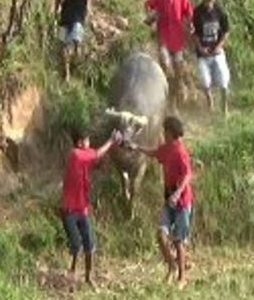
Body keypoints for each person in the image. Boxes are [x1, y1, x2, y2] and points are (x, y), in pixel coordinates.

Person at [129, 116, 193, 289]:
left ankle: (182, 277)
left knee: (179, 241)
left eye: (165, 131)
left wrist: (177, 194)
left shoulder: (180, 151)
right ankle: (171, 266)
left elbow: (188, 175)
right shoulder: (167, 148)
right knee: (161, 235)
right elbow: (154, 152)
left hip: (181, 202)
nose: (163, 134)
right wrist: (136, 147)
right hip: (169, 198)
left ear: (171, 133)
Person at [61, 127, 121, 286]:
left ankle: (88, 277)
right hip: (69, 210)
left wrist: (113, 145)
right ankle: (73, 270)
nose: (89, 142)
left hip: (82, 208)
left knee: (89, 244)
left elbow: (99, 158)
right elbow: (97, 154)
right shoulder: (76, 154)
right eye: (87, 140)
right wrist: (110, 140)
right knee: (76, 245)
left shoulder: (82, 156)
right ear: (80, 143)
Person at [145, 0, 194, 112]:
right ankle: (163, 99)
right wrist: (151, 16)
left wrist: (191, 25)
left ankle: (174, 101)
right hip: (164, 39)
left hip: (178, 40)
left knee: (178, 70)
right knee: (166, 66)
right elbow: (148, 5)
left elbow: (189, 14)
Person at [193, 0, 231, 115]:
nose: (209, 1)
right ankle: (210, 104)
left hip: (217, 52)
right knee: (205, 81)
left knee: (223, 79)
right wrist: (200, 48)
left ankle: (225, 109)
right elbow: (195, 33)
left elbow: (226, 31)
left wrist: (219, 46)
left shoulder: (220, 12)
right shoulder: (197, 13)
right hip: (202, 53)